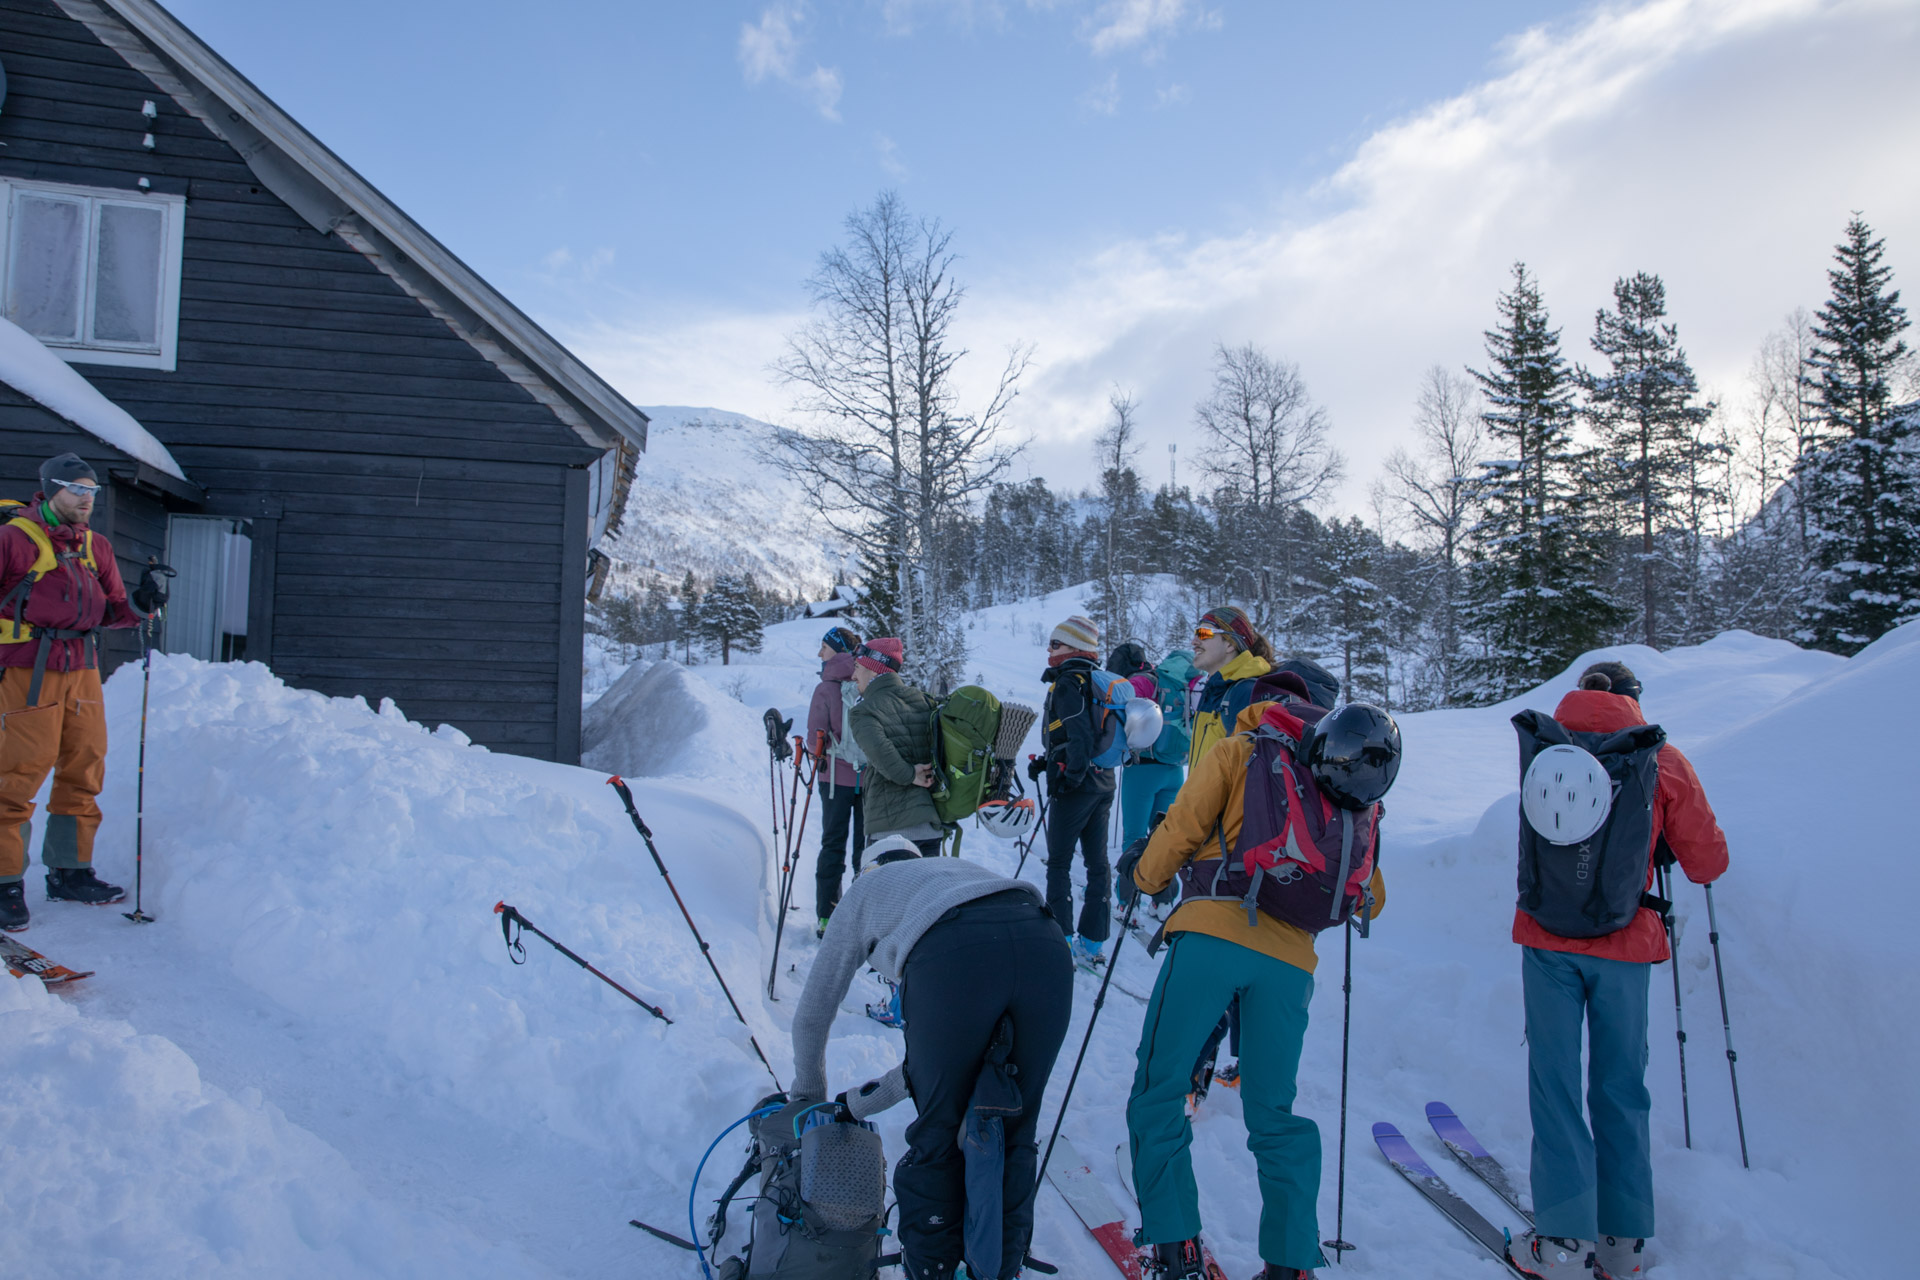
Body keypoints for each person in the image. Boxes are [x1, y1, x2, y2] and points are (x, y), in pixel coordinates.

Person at [1124, 689, 1393, 1280]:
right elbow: (1369, 894)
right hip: (1291, 962)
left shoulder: (1240, 749)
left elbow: (1182, 827)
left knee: (1159, 1089)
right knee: (1274, 1111)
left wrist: (1144, 875)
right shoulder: (1343, 779)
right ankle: (1291, 1262)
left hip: (1213, 936)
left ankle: (1176, 1249)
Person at [1508, 660, 1728, 1280]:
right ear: (1635, 700)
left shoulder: (1546, 745)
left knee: (1554, 1088)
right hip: (1626, 945)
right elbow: (1709, 862)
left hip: (1546, 940)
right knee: (1620, 1088)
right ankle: (1620, 1245)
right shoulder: (1662, 759)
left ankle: (1559, 1246)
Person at [790, 840, 1073, 1280]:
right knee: (1016, 1128)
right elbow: (927, 1068)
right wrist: (855, 1104)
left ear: (869, 870)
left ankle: (933, 1269)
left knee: (938, 1136)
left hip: (956, 950)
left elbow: (813, 1013)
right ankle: (1001, 1266)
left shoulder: (865, 891)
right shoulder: (955, 871)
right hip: (1046, 945)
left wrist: (807, 1097)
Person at [0, 455, 156, 932]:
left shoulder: (97, 547)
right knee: (17, 776)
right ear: (49, 491)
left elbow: (113, 612)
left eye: (92, 491)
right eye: (76, 489)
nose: (87, 498)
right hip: (28, 668)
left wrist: (140, 605)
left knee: (84, 766)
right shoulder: (12, 540)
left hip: (83, 668)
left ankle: (70, 871)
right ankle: (5, 882)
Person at [1031, 614, 1116, 966]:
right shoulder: (1096, 679)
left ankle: (1060, 938)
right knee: (1098, 863)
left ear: (1076, 648)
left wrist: (1069, 777)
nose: (1049, 650)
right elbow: (1075, 735)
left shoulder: (1069, 682)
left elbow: (1079, 735)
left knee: (1059, 863)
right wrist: (1046, 763)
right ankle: (1093, 942)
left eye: (1056, 644)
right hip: (1104, 781)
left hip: (1077, 787)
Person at [845, 638, 944, 856]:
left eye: (857, 667)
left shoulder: (864, 711)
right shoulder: (923, 700)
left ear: (873, 670)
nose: (853, 676)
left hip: (889, 834)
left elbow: (880, 753)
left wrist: (909, 774)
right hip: (930, 829)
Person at [807, 624, 867, 933]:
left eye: (825, 648)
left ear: (837, 651)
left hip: (834, 783)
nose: (820, 653)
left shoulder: (825, 687)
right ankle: (862, 917)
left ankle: (827, 917)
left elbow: (813, 739)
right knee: (865, 847)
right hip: (868, 779)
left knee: (832, 844)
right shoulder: (866, 680)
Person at [1108, 641, 1193, 854]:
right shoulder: (1167, 681)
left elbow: (1118, 718)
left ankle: (1127, 888)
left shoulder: (1140, 683)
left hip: (1143, 771)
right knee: (1165, 842)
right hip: (1174, 769)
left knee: (1134, 840)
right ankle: (1164, 887)